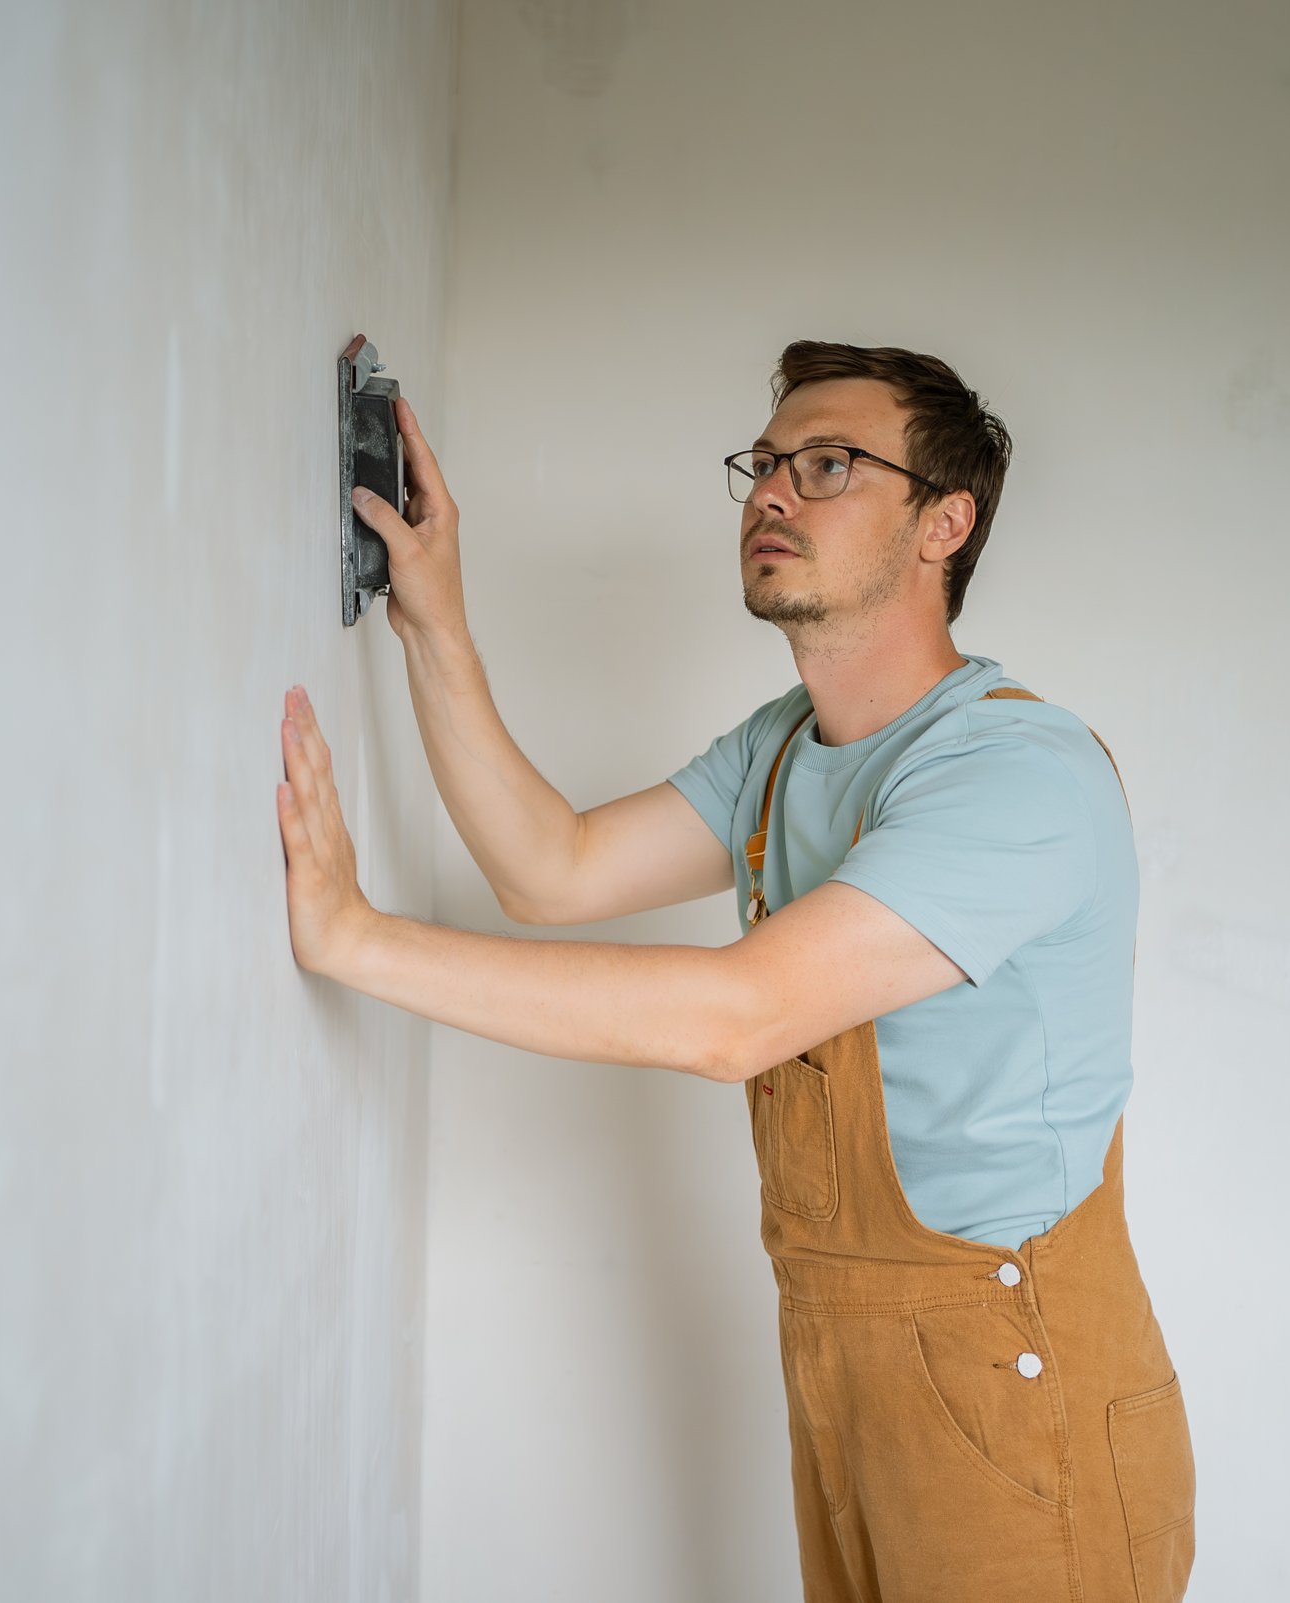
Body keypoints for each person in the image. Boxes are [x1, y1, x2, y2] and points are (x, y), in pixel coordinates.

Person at [274, 339, 1194, 1602]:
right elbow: (555, 867)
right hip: (843, 1361)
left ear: (946, 522)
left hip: (1016, 1384)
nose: (771, 492)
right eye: (764, 464)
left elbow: (736, 1017)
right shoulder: (785, 750)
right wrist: (435, 618)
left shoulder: (1016, 776)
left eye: (829, 465)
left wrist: (358, 935)